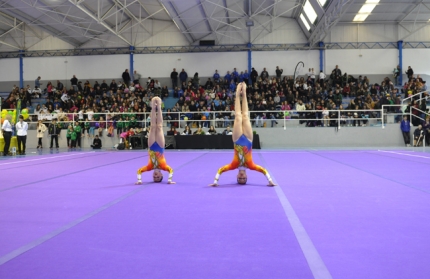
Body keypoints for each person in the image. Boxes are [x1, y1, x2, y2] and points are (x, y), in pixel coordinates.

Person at [210, 82, 276, 187]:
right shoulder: (251, 165)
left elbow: (220, 170)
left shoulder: (233, 165)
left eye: (239, 178)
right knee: (245, 116)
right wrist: (270, 181)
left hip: (237, 139)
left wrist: (215, 182)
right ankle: (244, 93)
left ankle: (237, 94)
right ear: (246, 176)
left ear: (237, 176)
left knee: (238, 117)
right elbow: (263, 170)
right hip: (249, 140)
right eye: (243, 178)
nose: (241, 176)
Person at [136, 97, 175, 185]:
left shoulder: (150, 167)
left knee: (153, 127)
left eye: (154, 177)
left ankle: (153, 108)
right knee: (159, 127)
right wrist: (169, 180)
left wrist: (139, 180)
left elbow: (139, 171)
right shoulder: (164, 166)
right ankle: (159, 107)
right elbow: (171, 170)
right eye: (158, 177)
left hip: (151, 146)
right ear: (161, 174)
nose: (155, 176)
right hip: (160, 146)